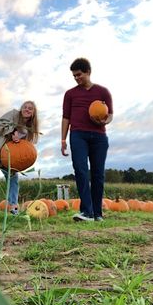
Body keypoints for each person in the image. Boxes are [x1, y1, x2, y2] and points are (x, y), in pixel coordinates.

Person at [61, 57, 113, 222]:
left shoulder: (103, 92)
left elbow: (110, 114)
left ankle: (97, 213)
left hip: (99, 137)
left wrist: (105, 120)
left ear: (88, 72)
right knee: (81, 170)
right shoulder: (70, 94)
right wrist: (63, 140)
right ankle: (86, 212)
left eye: (79, 75)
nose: (77, 78)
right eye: (74, 76)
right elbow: (66, 118)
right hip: (78, 135)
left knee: (98, 174)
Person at [0, 101, 39, 216]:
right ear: (21, 109)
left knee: (13, 177)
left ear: (33, 113)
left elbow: (24, 148)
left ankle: (13, 207)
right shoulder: (13, 114)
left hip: (7, 154)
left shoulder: (29, 130)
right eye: (25, 107)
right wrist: (13, 132)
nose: (27, 110)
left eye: (30, 108)